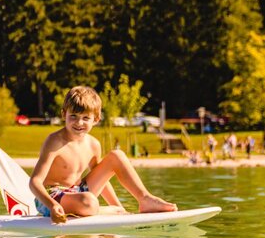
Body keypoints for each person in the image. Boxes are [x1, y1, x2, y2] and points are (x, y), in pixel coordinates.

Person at [30, 86, 177, 224]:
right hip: (51, 197)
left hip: (78, 192)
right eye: (73, 116)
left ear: (96, 119)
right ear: (64, 114)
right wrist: (52, 205)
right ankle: (105, 210)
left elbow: (102, 180)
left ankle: (144, 199)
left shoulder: (93, 144)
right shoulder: (54, 141)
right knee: (89, 201)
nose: (79, 122)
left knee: (116, 155)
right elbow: (34, 182)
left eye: (85, 118)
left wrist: (120, 208)